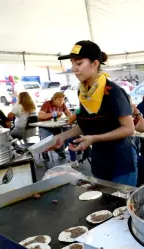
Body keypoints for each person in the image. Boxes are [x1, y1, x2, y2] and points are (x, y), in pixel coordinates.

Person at [51, 40, 137, 186]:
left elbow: (129, 129)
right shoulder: (83, 92)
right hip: (99, 159)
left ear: (95, 63)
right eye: (72, 63)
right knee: (103, 203)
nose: (74, 69)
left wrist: (94, 138)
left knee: (120, 205)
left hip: (120, 160)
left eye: (78, 64)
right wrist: (63, 136)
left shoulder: (112, 92)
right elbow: (86, 124)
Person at [38, 92, 73, 160]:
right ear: (54, 99)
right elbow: (40, 115)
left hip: (56, 126)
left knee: (68, 133)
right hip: (45, 126)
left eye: (63, 100)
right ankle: (45, 151)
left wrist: (69, 114)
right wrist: (54, 114)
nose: (61, 102)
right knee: (48, 138)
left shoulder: (62, 104)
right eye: (59, 100)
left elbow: (67, 112)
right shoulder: (47, 104)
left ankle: (60, 150)